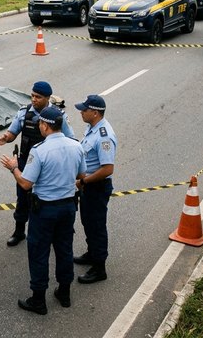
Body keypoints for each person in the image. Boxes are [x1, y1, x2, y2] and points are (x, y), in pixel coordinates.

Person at [0, 106, 86, 315]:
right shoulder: (76, 146)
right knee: (64, 249)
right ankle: (64, 293)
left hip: (45, 210)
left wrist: (13, 168)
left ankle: (38, 299)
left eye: (40, 123)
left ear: (46, 126)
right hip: (68, 208)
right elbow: (82, 176)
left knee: (38, 252)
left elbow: (26, 184)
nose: (39, 126)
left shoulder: (39, 150)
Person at [0, 81, 75, 247]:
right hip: (27, 161)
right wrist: (6, 137)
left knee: (47, 199)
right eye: (32, 95)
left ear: (47, 98)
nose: (33, 99)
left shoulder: (58, 115)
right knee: (23, 198)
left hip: (49, 164)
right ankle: (19, 231)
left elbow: (70, 139)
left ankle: (50, 232)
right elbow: (13, 132)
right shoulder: (24, 112)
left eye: (38, 97)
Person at [73, 95, 117, 284]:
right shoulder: (92, 128)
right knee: (88, 223)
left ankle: (99, 268)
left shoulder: (104, 136)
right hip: (88, 186)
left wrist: (84, 181)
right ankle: (92, 254)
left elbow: (107, 169)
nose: (81, 112)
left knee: (96, 226)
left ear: (95, 113)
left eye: (85, 110)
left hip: (96, 187)